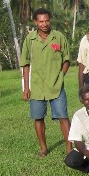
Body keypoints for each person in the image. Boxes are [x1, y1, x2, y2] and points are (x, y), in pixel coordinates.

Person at [20, 8, 72, 157]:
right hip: (36, 86)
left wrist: (60, 76)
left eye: (47, 20)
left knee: (63, 116)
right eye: (41, 21)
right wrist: (26, 87)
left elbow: (66, 59)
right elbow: (25, 63)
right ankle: (43, 148)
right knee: (38, 117)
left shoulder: (59, 37)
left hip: (56, 86)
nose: (44, 24)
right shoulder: (29, 40)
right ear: (36, 22)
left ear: (50, 20)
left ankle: (69, 148)